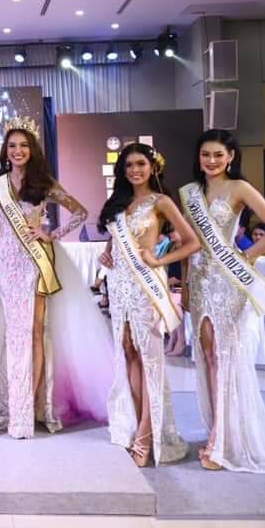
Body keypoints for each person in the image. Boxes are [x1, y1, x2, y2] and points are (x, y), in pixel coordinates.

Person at [0, 118, 113, 438]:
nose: (18, 151)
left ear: (33, 150)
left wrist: (51, 234)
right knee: (14, 333)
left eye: (23, 145)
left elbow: (80, 212)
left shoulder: (43, 184)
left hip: (35, 261)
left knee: (35, 332)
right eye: (12, 146)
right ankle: (11, 404)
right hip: (5, 263)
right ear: (5, 150)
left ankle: (28, 406)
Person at [181, 129, 265, 472]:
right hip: (200, 282)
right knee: (207, 355)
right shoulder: (192, 193)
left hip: (228, 282)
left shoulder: (240, 188)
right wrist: (186, 284)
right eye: (205, 154)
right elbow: (188, 242)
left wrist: (248, 254)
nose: (211, 161)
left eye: (218, 155)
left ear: (230, 157)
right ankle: (218, 430)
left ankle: (224, 441)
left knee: (225, 356)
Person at [98, 144, 199, 467]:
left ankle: (145, 435)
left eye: (140, 163)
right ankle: (143, 425)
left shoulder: (161, 202)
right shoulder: (119, 203)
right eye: (128, 165)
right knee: (128, 351)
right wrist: (107, 254)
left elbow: (192, 242)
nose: (134, 170)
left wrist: (161, 260)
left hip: (145, 286)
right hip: (119, 285)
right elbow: (115, 241)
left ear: (152, 166)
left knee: (149, 358)